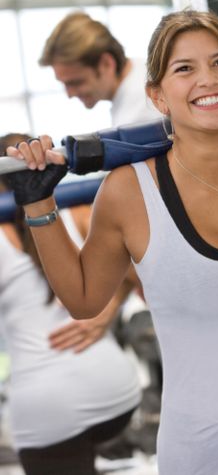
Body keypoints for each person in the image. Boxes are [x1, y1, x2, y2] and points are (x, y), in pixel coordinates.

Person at [6, 9, 218, 475]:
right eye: (184, 69)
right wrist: (38, 202)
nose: (207, 80)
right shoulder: (128, 191)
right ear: (158, 96)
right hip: (203, 448)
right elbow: (84, 298)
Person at [0, 133, 142, 475]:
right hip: (116, 392)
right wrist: (105, 313)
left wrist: (99, 313)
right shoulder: (78, 211)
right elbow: (139, 271)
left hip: (48, 410)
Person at [39, 11, 161, 126]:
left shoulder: (138, 116)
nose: (69, 94)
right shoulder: (142, 69)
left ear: (106, 64)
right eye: (64, 83)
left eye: (75, 82)